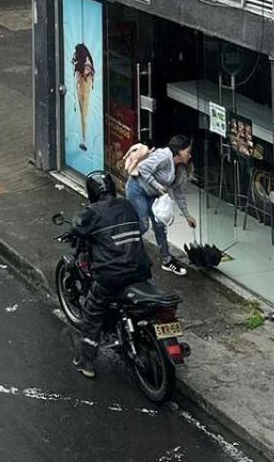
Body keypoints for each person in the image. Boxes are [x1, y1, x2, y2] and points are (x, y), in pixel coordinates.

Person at [71, 170, 152, 379]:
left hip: (113, 274)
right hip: (141, 268)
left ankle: (86, 362)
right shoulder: (127, 205)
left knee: (93, 311)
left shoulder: (93, 211)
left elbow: (78, 227)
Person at [126, 134, 196, 275]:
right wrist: (157, 186)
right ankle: (125, 249)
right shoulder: (164, 156)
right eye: (187, 151)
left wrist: (188, 216)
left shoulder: (181, 170)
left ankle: (167, 260)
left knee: (160, 225)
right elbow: (143, 168)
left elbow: (179, 194)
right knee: (144, 223)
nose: (189, 155)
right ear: (179, 151)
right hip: (137, 189)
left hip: (153, 195)